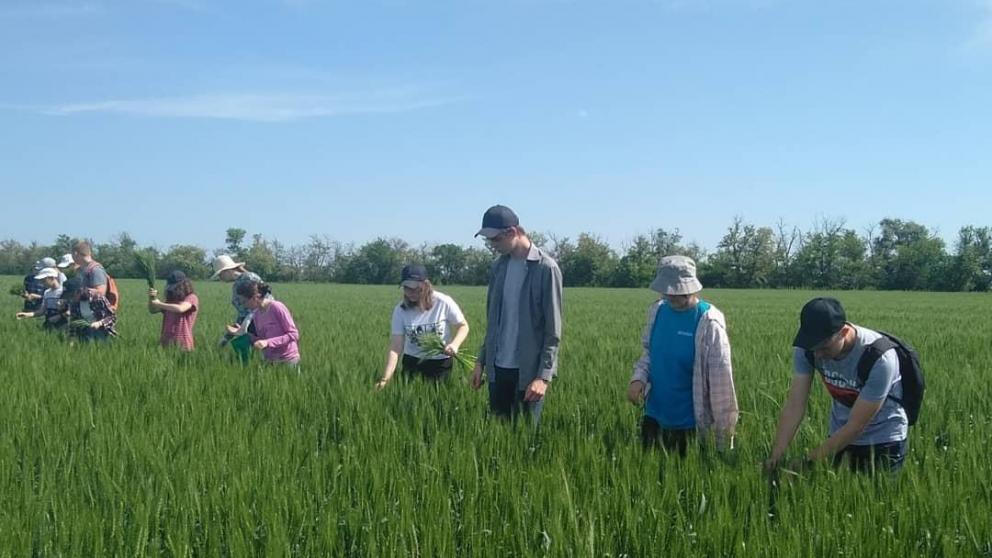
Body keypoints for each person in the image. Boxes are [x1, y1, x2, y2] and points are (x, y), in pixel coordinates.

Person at [764, 297, 909, 473]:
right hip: (838, 438)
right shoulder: (807, 349)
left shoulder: (879, 358)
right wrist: (776, 457)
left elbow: (856, 426)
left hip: (883, 441)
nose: (817, 354)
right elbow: (795, 406)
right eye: (813, 347)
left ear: (844, 332)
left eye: (824, 347)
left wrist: (806, 461)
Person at [626, 256, 738, 455]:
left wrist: (723, 442)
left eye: (676, 291)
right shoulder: (657, 311)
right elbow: (650, 352)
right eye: (666, 291)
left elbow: (722, 387)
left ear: (691, 288)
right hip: (654, 416)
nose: (670, 296)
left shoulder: (709, 323)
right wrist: (638, 378)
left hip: (689, 425)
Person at [470, 205, 563, 425]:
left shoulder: (546, 269)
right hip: (498, 370)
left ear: (513, 232)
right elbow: (494, 323)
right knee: (498, 441)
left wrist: (543, 377)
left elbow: (553, 331)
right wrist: (481, 362)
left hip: (528, 374)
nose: (492, 246)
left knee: (524, 443)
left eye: (495, 240)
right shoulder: (498, 268)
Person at [376, 264, 470, 389]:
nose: (411, 292)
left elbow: (463, 326)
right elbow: (396, 346)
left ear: (426, 285)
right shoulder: (400, 310)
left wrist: (454, 345)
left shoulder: (443, 302)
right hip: (412, 362)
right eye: (406, 288)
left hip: (440, 363)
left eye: (415, 288)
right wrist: (385, 379)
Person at [211, 255, 269, 358]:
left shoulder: (249, 278)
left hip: (258, 324)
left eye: (220, 275)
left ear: (227, 271)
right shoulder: (238, 283)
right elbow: (243, 312)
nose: (220, 278)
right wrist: (228, 335)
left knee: (258, 356)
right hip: (249, 325)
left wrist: (245, 323)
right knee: (247, 357)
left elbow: (263, 301)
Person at [233, 281, 300, 366]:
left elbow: (294, 334)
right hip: (269, 361)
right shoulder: (256, 314)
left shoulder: (277, 307)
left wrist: (268, 342)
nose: (243, 305)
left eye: (244, 302)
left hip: (287, 360)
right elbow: (262, 339)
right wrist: (247, 336)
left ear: (255, 297)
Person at [148, 270, 199, 351]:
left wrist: (159, 304)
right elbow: (153, 310)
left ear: (184, 285)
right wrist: (152, 298)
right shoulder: (170, 300)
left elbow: (180, 308)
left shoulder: (191, 297)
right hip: (166, 342)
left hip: (183, 344)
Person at [63, 277, 117, 342]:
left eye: (73, 295)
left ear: (79, 291)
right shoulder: (74, 303)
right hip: (84, 333)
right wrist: (71, 340)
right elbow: (74, 322)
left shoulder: (98, 298)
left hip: (103, 331)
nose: (72, 298)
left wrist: (99, 323)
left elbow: (112, 317)